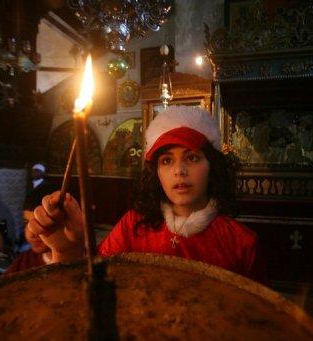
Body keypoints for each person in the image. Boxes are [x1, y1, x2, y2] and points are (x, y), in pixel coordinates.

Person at [19, 106, 267, 282]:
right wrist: (68, 251)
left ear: (212, 166)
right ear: (155, 172)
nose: (179, 172)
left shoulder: (241, 243)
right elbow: (92, 286)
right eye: (167, 161)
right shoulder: (132, 226)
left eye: (191, 158)